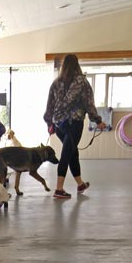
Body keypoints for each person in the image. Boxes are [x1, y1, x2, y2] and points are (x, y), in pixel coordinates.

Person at [44, 53, 106, 199]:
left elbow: (49, 106)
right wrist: (97, 121)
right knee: (67, 153)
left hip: (59, 125)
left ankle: (80, 184)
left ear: (64, 65)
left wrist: (49, 123)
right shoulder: (82, 82)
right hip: (74, 124)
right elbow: (89, 104)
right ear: (77, 64)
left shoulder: (56, 82)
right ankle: (59, 189)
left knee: (72, 152)